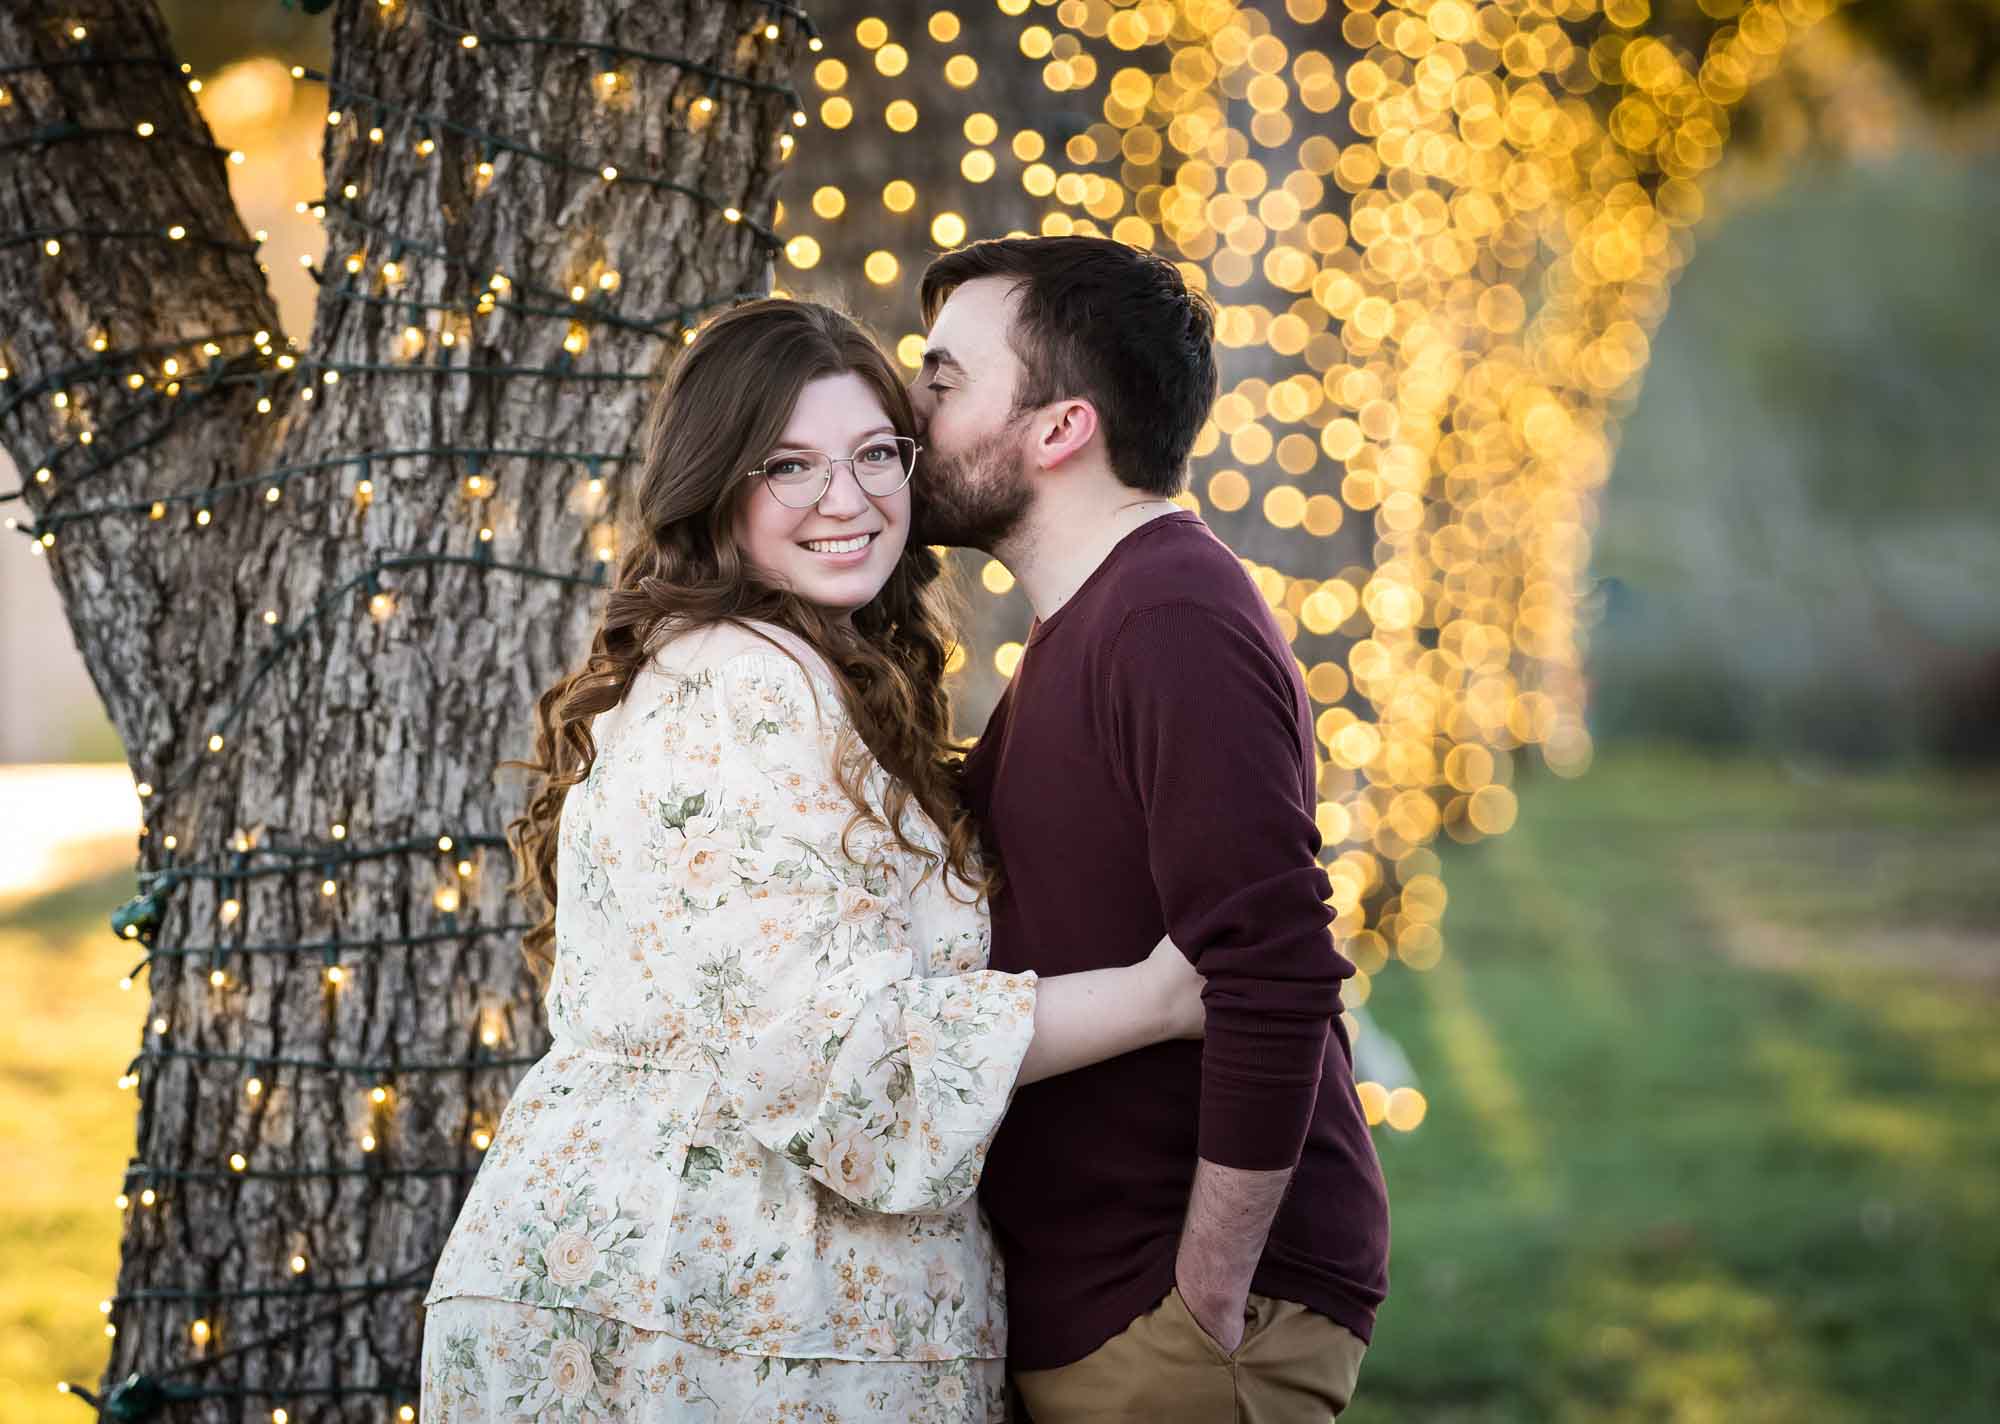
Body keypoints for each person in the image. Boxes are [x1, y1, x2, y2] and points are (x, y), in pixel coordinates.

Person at [418, 297, 1207, 1423]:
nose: (847, 500)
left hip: (724, 1296)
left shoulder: (799, 670)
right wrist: (1153, 998)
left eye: (874, 453)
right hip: (700, 1310)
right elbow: (837, 1054)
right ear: (715, 484)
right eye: (787, 464)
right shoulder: (745, 688)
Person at [910, 235, 1392, 1421]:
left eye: (941, 380)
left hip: (1180, 1320)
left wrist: (1203, 1303)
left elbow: (1273, 970)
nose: (905, 410)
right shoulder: (1087, 623)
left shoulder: (1168, 615)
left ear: (1058, 428)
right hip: (1101, 1301)